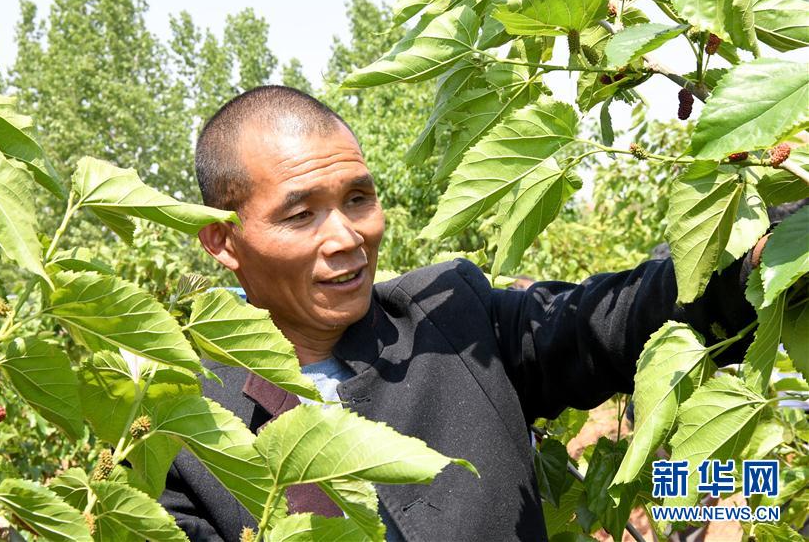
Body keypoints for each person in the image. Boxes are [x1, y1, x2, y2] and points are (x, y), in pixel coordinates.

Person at [159, 85, 757, 541]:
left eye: (358, 199)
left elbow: (606, 319)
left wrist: (761, 255)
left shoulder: (452, 320)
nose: (346, 237)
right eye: (300, 215)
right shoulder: (189, 435)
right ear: (224, 242)